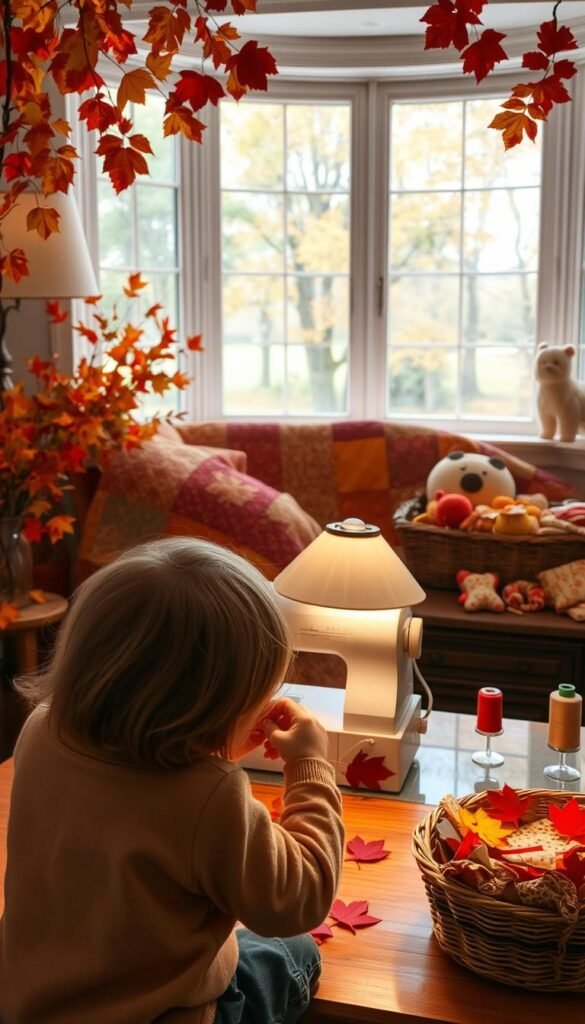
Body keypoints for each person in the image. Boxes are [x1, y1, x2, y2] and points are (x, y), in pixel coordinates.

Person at [0, 538, 344, 1024]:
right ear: (216, 703)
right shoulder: (210, 795)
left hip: (30, 1006)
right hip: (162, 1016)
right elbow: (299, 898)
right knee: (293, 952)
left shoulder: (41, 729)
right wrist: (309, 767)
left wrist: (212, 743)